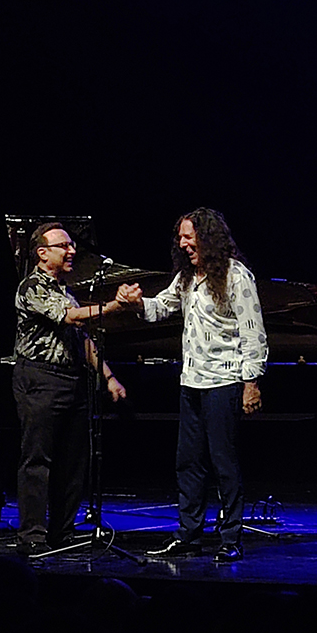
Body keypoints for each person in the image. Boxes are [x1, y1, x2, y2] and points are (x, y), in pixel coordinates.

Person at [117, 207, 267, 562]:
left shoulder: (235, 276)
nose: (183, 244)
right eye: (180, 238)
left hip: (224, 380)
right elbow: (161, 308)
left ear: (208, 237)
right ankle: (188, 535)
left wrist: (251, 384)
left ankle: (231, 537)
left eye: (189, 236)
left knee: (223, 462)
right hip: (192, 381)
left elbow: (253, 333)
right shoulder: (187, 278)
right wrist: (138, 303)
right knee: (188, 462)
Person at [12, 222, 127, 556]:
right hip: (40, 378)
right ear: (42, 252)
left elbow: (84, 340)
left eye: (72, 245)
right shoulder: (30, 286)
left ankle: (62, 530)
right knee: (38, 458)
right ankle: (32, 533)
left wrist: (108, 377)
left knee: (74, 460)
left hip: (71, 379)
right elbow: (72, 319)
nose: (72, 250)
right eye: (64, 245)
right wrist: (115, 306)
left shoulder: (63, 288)